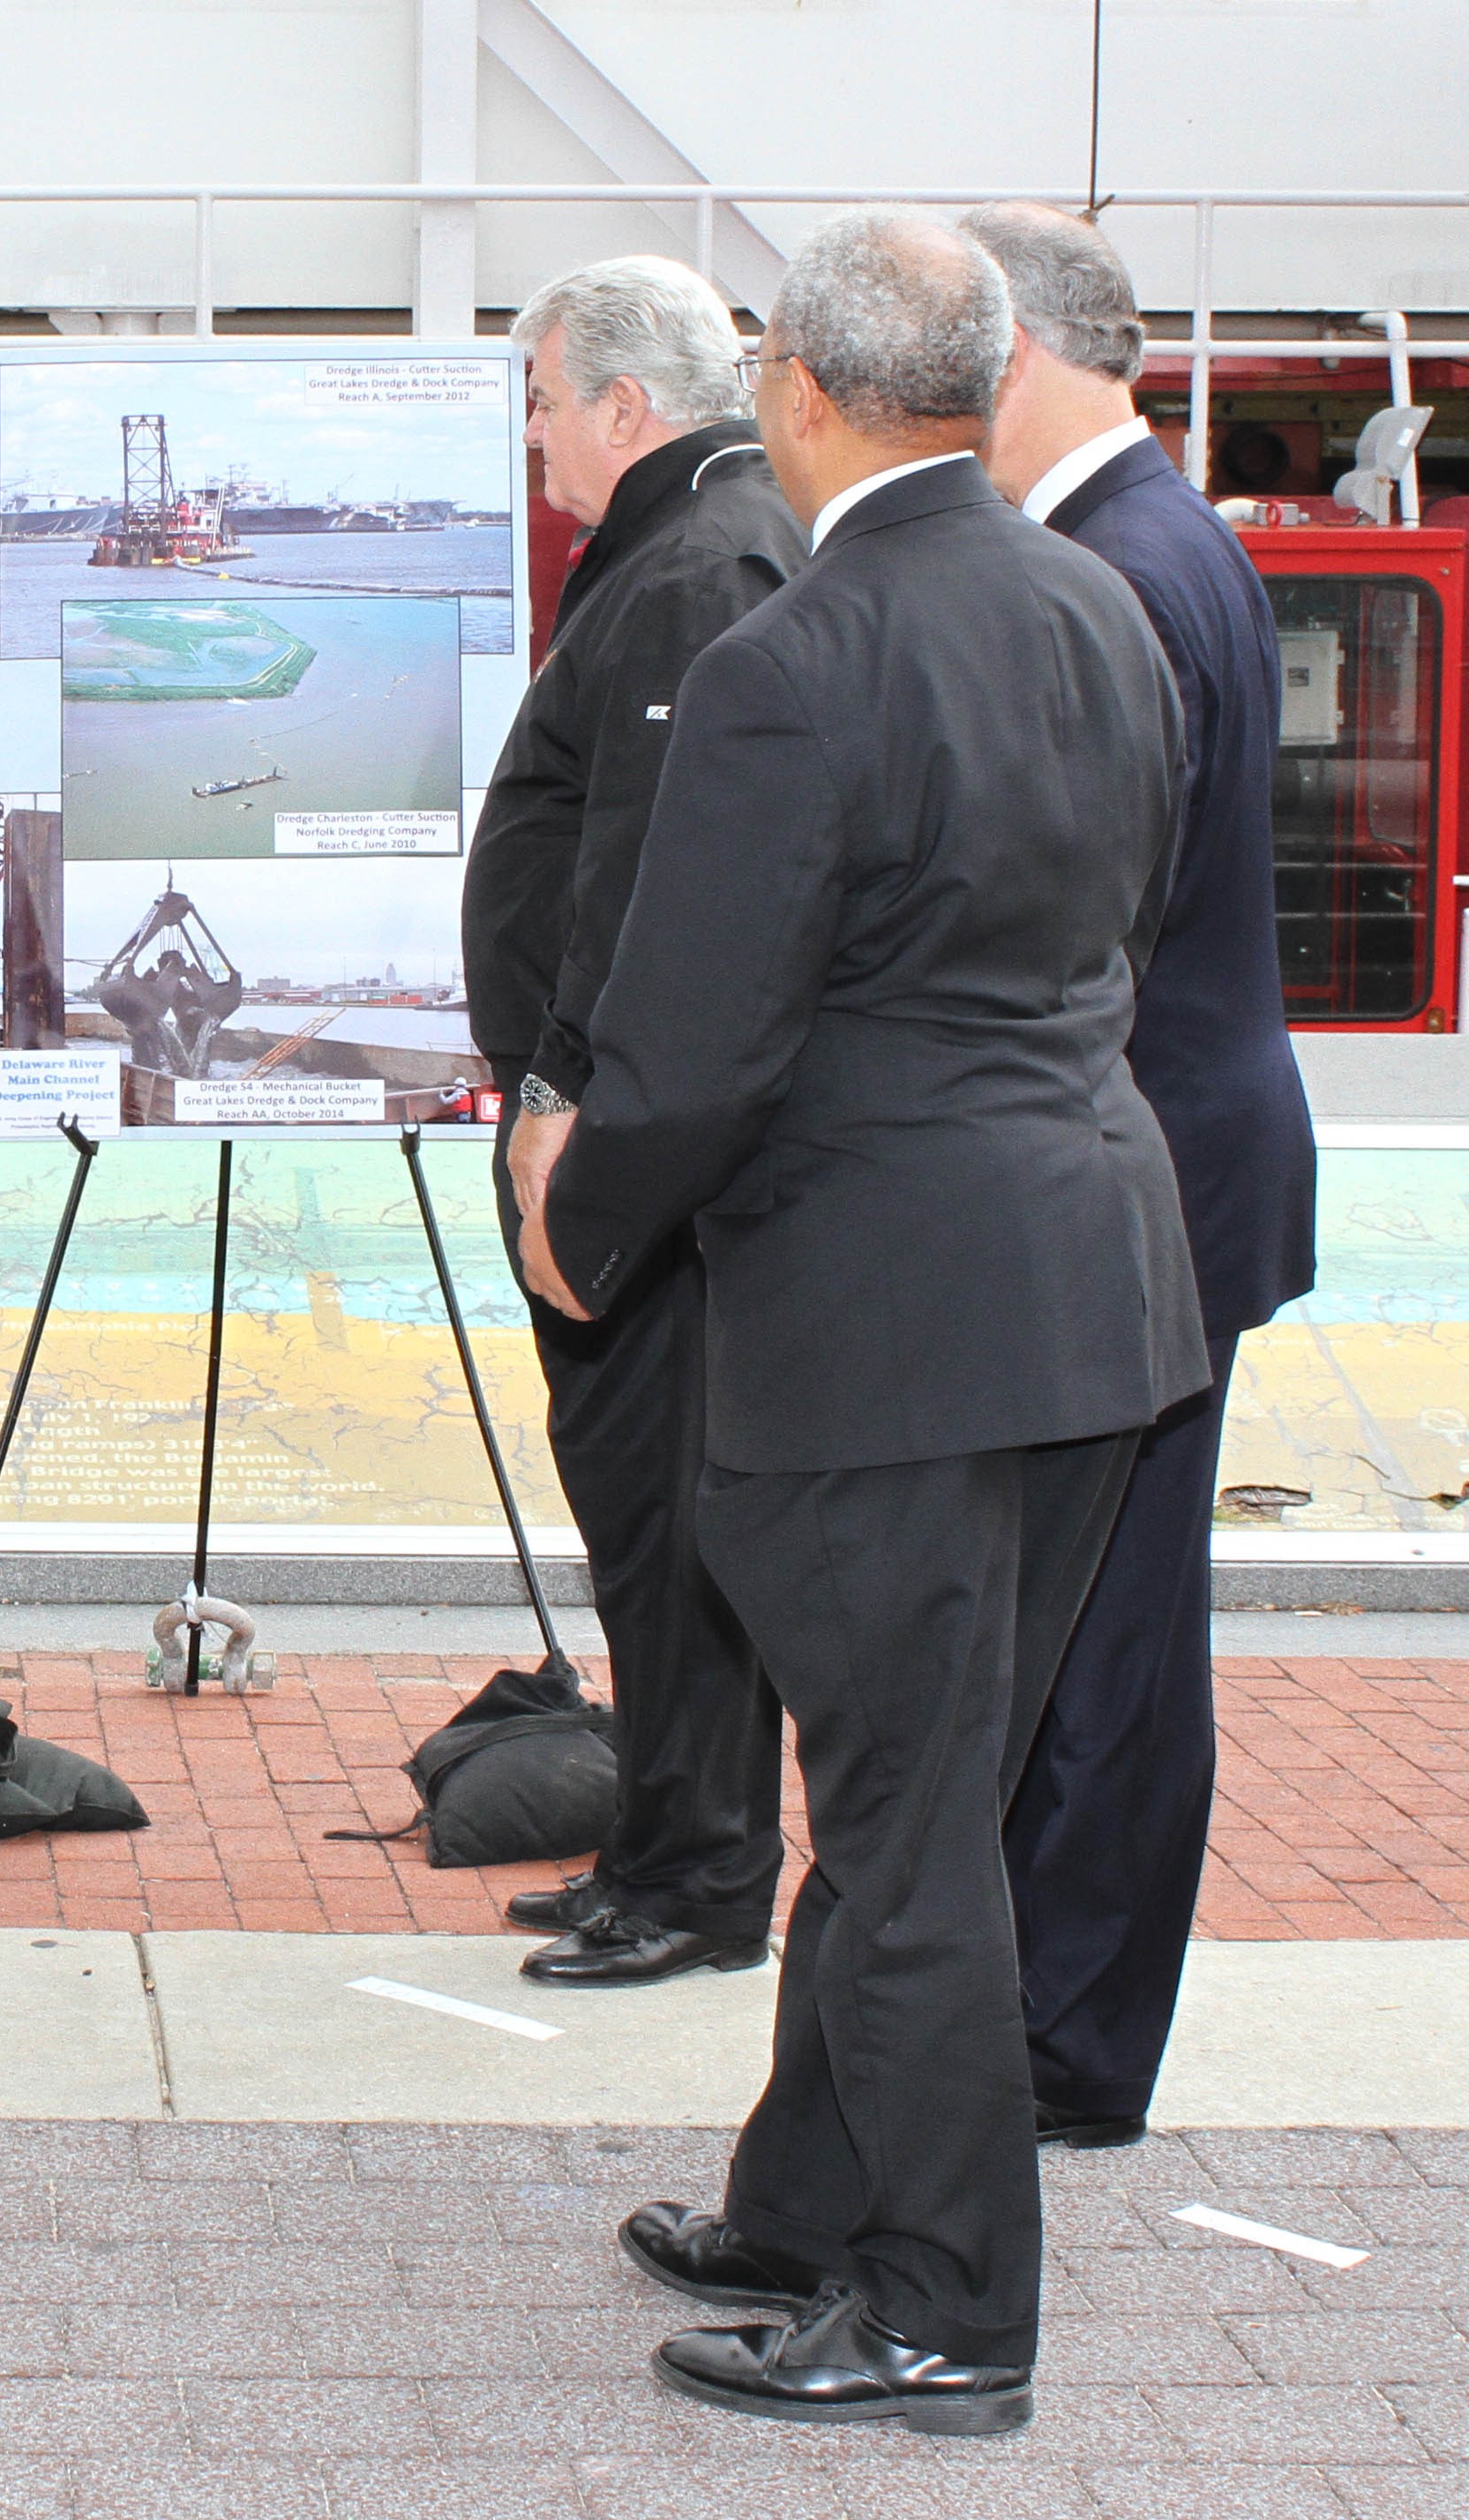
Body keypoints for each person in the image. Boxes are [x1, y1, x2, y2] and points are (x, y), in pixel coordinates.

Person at [516, 210, 1205, 2431]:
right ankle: (807, 2202)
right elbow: (1131, 921)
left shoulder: (792, 659)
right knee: (929, 1794)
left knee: (905, 1840)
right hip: (1091, 1286)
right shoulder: (1098, 601)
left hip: (883, 1326)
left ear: (797, 390)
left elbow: (694, 1044)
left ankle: (942, 2310)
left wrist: (578, 1218)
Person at [963, 199, 1320, 2149]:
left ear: (1009, 356)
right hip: (1189, 1150)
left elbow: (1085, 924)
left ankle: (1066, 2045)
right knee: (1110, 1615)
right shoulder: (1156, 540)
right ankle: (1063, 2019)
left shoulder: (1114, 566)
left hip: (1147, 1174)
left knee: (1099, 1634)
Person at [463, 254, 805, 1991]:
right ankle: (661, 1846)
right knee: (643, 1516)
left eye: (538, 396)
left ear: (622, 401)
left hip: (621, 1159)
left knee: (671, 1522)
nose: (529, 432)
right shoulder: (683, 551)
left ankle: (698, 1876)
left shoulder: (690, 569)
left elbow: (650, 887)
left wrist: (556, 1109)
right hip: (615, 1143)